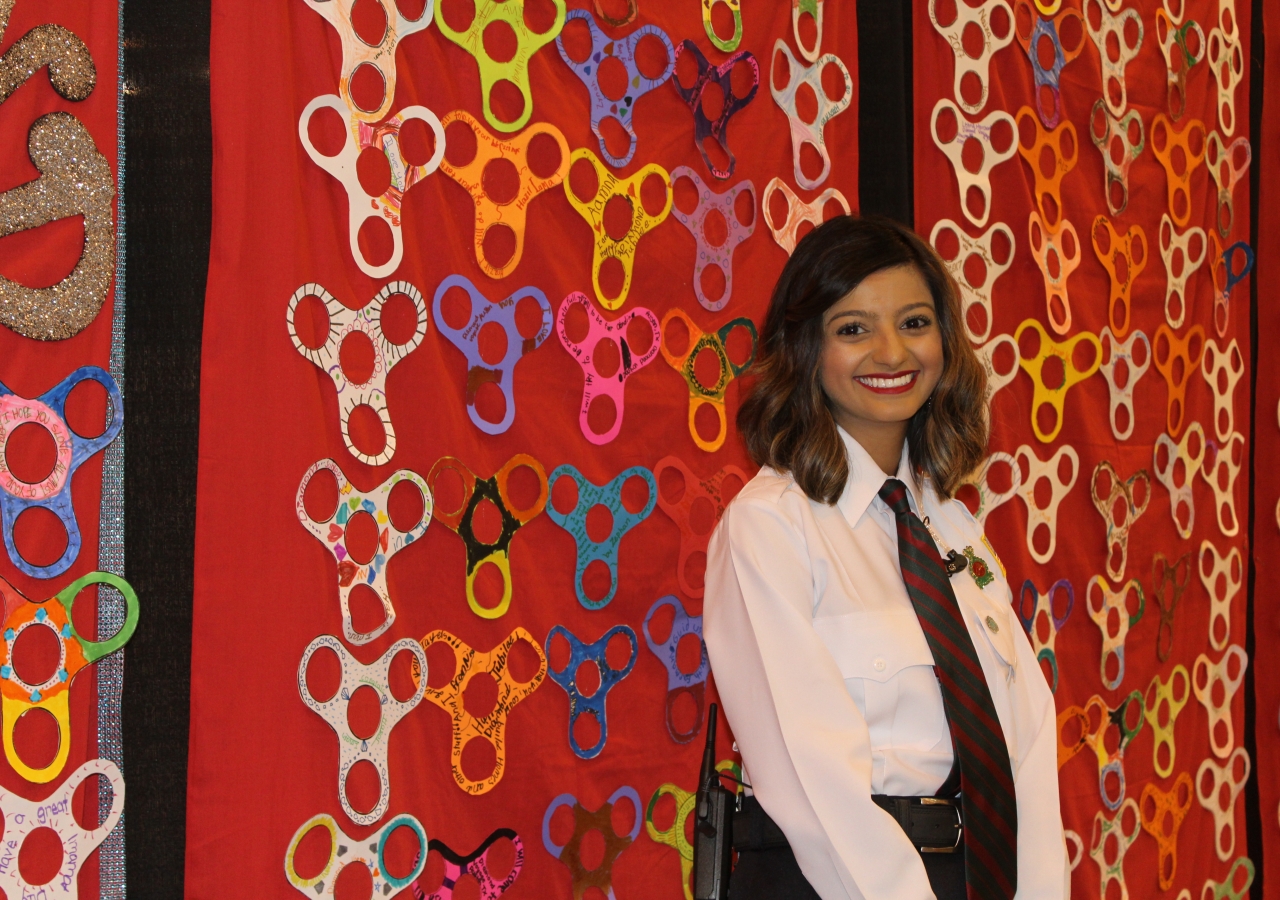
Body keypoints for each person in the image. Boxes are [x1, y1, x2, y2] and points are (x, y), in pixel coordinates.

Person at [703, 216, 1067, 900]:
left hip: (967, 874)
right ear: (805, 346)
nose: (891, 350)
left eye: (915, 322)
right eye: (853, 329)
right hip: (829, 882)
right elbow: (812, 777)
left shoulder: (952, 526)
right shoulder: (769, 526)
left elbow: (1026, 739)